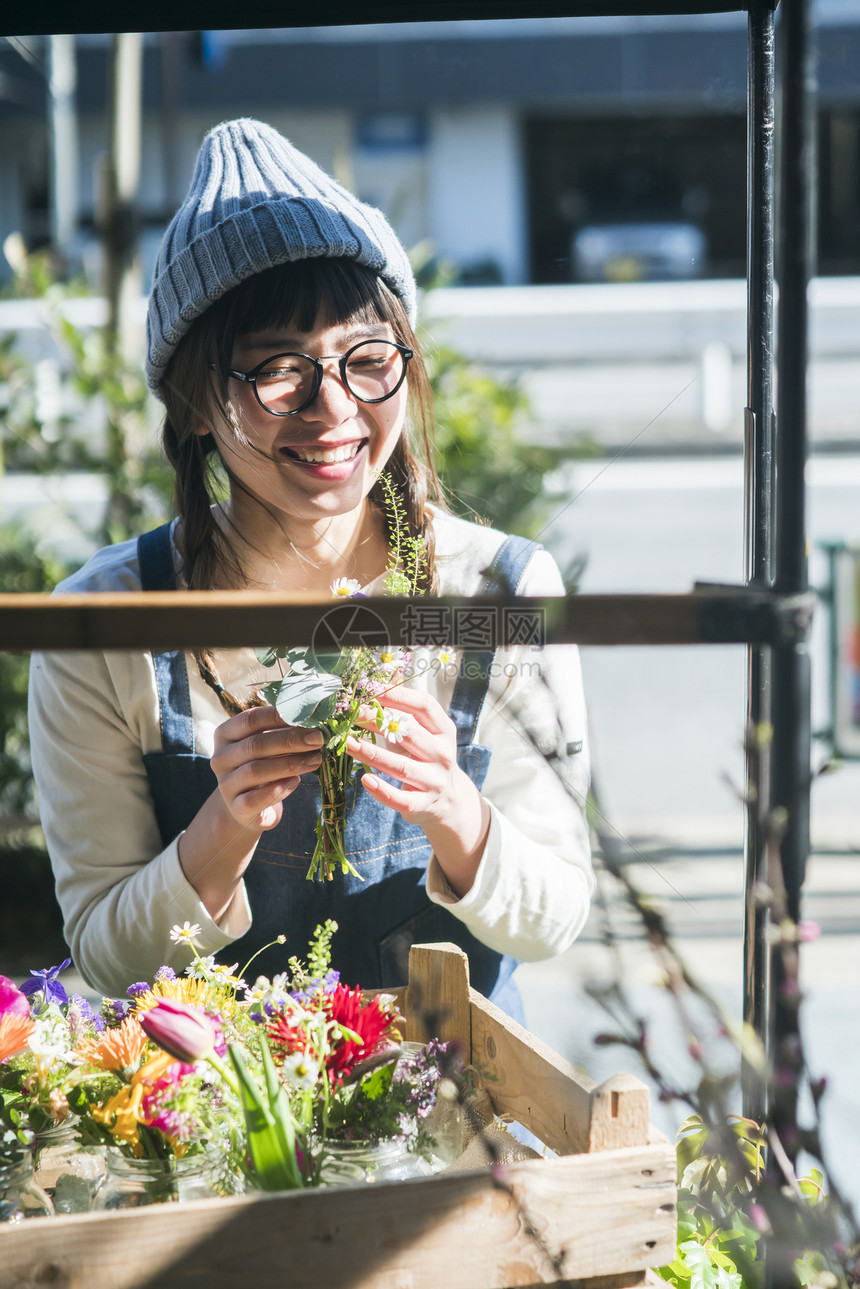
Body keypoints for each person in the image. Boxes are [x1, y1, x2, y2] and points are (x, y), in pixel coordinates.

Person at [28, 118, 593, 1011]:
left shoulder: (498, 590)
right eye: (277, 370)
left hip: (465, 1120)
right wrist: (220, 829)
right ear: (196, 405)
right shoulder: (105, 623)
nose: (333, 408)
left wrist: (455, 808)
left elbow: (557, 912)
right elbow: (103, 955)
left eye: (367, 359)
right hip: (216, 1131)